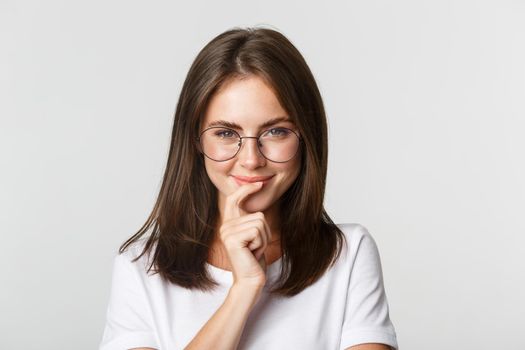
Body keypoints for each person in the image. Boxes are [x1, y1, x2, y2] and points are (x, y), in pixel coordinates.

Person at [99, 26, 399, 350]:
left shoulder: (347, 254)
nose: (251, 160)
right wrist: (243, 291)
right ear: (195, 141)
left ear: (306, 139)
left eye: (276, 132)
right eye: (226, 134)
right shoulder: (141, 267)